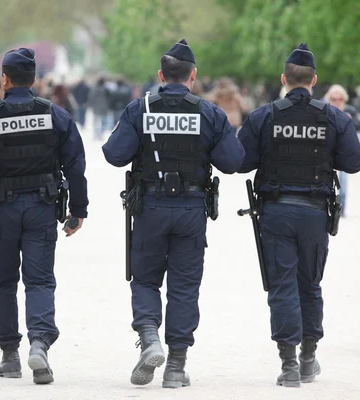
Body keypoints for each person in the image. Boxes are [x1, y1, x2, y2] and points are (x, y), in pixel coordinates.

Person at [102, 39, 245, 389]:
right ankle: (177, 366)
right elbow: (233, 162)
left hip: (150, 207)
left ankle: (150, 338)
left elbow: (114, 154)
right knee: (184, 286)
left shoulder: (141, 109)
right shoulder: (209, 113)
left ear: (161, 75)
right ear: (193, 76)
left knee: (146, 279)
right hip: (191, 209)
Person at [237, 43, 360, 388]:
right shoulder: (334, 117)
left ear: (283, 79)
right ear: (314, 80)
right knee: (310, 285)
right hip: (313, 214)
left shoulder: (264, 116)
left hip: (276, 212)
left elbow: (240, 161)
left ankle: (288, 363)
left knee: (281, 287)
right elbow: (354, 161)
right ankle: (308, 357)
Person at [0, 48, 89, 385]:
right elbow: (76, 167)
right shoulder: (56, 116)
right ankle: (39, 342)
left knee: (3, 282)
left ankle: (9, 355)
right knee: (39, 280)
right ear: (34, 79)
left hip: (1, 211)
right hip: (41, 208)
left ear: (4, 79)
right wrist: (78, 210)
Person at [324, 84, 360, 216]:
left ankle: (341, 207)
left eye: (339, 99)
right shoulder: (325, 110)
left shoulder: (349, 110)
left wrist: (349, 121)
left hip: (343, 150)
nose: (336, 102)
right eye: (333, 99)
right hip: (328, 150)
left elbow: (359, 124)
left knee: (343, 181)